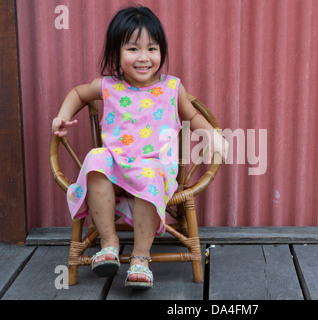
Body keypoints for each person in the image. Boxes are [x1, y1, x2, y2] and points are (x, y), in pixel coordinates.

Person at [51, 5, 228, 289]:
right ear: (116, 54)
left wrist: (213, 135)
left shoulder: (171, 87)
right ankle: (109, 244)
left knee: (149, 175)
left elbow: (192, 116)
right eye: (133, 49)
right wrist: (63, 116)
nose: (144, 58)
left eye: (152, 48)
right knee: (95, 158)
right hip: (114, 168)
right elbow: (78, 93)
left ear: (162, 52)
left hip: (154, 167)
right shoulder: (108, 86)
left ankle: (140, 257)